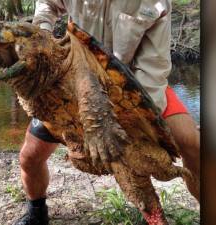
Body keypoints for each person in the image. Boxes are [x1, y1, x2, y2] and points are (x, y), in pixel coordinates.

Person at [15, 0, 200, 224]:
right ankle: (36, 210)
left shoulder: (155, 3)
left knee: (192, 144)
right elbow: (47, 3)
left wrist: (133, 121)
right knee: (29, 157)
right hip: (73, 79)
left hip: (132, 84)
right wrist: (43, 33)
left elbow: (153, 68)